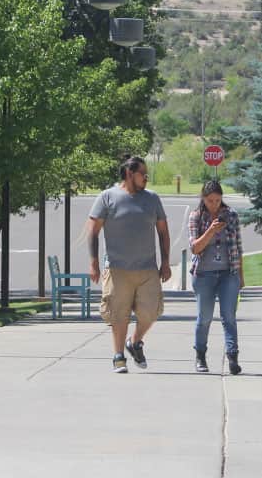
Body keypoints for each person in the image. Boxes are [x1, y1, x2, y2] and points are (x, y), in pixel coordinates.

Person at [86, 156, 172, 374]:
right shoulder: (107, 197)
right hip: (117, 269)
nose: (146, 177)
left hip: (147, 269)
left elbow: (163, 232)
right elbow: (93, 231)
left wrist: (166, 262)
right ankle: (118, 356)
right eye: (143, 173)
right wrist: (94, 262)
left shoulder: (152, 199)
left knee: (151, 312)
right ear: (129, 174)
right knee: (118, 313)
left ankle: (135, 342)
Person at [187, 179, 244, 375]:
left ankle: (233, 357)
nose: (214, 204)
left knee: (229, 316)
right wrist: (211, 230)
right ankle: (200, 355)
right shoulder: (196, 216)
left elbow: (238, 246)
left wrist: (241, 276)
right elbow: (195, 247)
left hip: (229, 273)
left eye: (218, 200)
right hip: (204, 274)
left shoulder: (231, 215)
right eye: (210, 200)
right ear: (203, 199)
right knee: (205, 317)